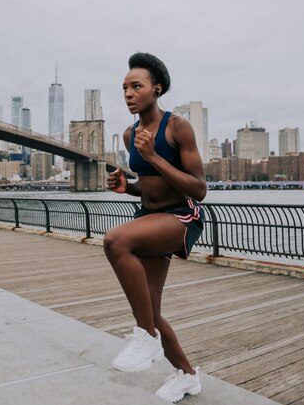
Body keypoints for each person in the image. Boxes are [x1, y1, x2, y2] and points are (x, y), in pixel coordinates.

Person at [104, 52, 207, 403]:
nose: (128, 93)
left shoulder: (177, 127)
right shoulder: (129, 133)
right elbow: (149, 186)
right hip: (150, 217)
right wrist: (126, 187)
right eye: (124, 88)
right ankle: (187, 375)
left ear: (156, 89)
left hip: (183, 217)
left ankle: (144, 337)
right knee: (152, 308)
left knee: (116, 241)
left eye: (136, 86)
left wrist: (154, 157)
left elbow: (199, 189)